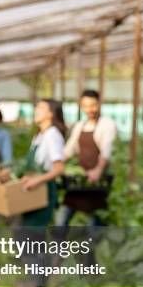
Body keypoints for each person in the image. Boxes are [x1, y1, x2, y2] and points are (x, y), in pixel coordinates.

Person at [56, 89, 117, 226]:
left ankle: (93, 246)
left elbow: (106, 151)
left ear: (99, 104)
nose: (90, 109)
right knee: (61, 219)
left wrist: (98, 170)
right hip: (79, 181)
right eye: (86, 106)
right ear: (81, 106)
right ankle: (59, 247)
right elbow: (69, 149)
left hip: (96, 182)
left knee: (94, 224)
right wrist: (57, 164)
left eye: (93, 105)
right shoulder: (80, 126)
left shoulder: (106, 124)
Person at [20, 99, 66, 227]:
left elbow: (59, 168)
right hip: (33, 188)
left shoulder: (52, 135)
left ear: (50, 114)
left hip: (43, 189)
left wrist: (36, 180)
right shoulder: (39, 136)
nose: (36, 110)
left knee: (32, 234)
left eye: (40, 108)